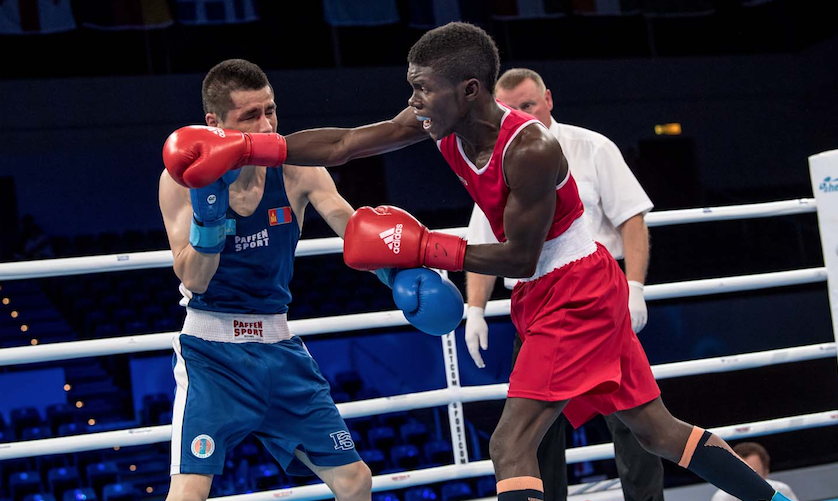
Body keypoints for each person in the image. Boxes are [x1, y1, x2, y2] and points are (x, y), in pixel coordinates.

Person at [162, 23, 793, 501]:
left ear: (467, 91)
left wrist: (423, 249)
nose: (414, 99)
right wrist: (250, 148)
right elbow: (349, 144)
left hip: (573, 289)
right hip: (548, 291)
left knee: (510, 443)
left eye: (422, 88)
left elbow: (520, 254)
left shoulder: (531, 151)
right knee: (656, 431)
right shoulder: (439, 121)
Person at [157, 58, 459, 501]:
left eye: (270, 111)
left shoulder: (298, 169)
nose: (266, 126)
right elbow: (195, 280)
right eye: (250, 116)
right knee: (189, 492)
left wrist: (400, 276)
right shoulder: (182, 180)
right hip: (212, 354)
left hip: (279, 348)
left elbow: (351, 229)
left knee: (355, 481)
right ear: (214, 123)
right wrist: (210, 220)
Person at [464, 68, 660, 501]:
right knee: (533, 436)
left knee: (635, 422)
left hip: (596, 299)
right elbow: (481, 242)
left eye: (528, 105)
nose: (520, 115)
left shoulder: (592, 147)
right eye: (510, 109)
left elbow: (631, 218)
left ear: (548, 99)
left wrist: (635, 287)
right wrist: (474, 309)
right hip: (534, 308)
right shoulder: (493, 160)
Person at [711, 443, 798, 501]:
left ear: (766, 472)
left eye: (753, 475)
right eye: (741, 475)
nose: (747, 481)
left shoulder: (781, 491)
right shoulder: (721, 498)